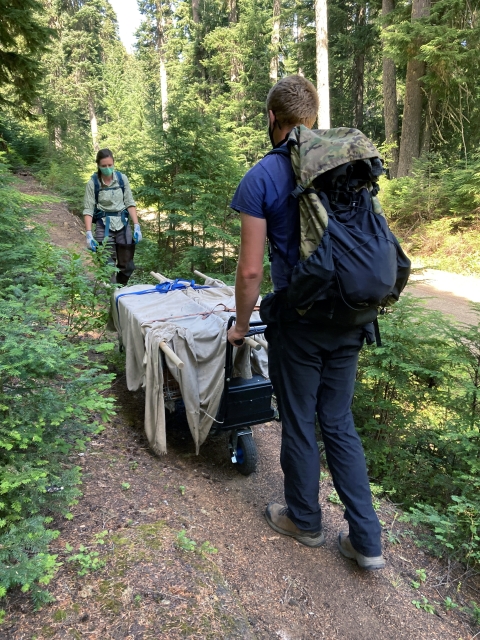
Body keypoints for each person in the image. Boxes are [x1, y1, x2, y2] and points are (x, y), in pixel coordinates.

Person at [227, 75, 385, 570]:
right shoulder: (342, 164)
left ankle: (305, 520)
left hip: (300, 320)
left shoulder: (262, 177)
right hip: (353, 314)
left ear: (273, 118)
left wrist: (239, 325)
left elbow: (251, 270)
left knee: (298, 418)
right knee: (338, 422)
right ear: (313, 119)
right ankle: (367, 541)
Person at [83, 149, 142, 285]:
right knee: (107, 266)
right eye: (104, 166)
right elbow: (88, 209)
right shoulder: (93, 183)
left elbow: (130, 203)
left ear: (114, 163)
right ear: (98, 166)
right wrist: (88, 234)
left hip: (122, 224)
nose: (107, 168)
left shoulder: (122, 179)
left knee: (128, 265)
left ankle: (120, 289)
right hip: (103, 226)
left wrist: (137, 225)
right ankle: (112, 293)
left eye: (110, 165)